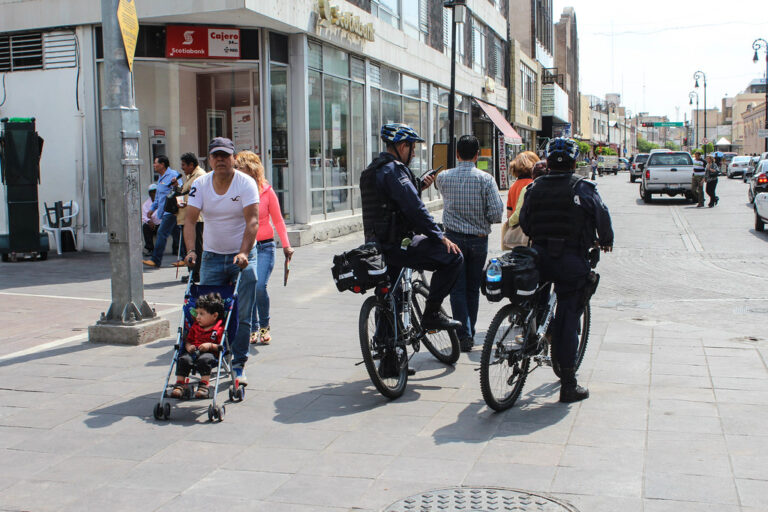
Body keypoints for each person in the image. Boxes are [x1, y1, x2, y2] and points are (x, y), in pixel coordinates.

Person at [520, 137, 614, 403]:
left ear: (548, 162)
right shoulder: (583, 187)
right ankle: (569, 384)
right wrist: (605, 240)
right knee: (569, 317)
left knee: (536, 301)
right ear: (574, 163)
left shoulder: (534, 187)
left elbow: (525, 222)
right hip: (571, 259)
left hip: (538, 257)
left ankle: (534, 331)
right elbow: (602, 215)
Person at [360, 123, 463, 334]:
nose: (414, 154)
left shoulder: (371, 170)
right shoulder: (394, 170)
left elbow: (390, 201)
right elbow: (414, 208)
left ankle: (387, 348)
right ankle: (432, 314)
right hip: (398, 244)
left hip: (375, 247)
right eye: (412, 148)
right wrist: (439, 236)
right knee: (453, 257)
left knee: (390, 298)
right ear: (402, 146)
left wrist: (419, 185)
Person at [182, 137, 259, 386]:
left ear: (233, 158)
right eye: (216, 156)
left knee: (242, 313)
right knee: (208, 313)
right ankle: (213, 358)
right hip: (212, 257)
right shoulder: (201, 184)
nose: (220, 160)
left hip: (243, 257)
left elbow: (252, 221)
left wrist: (244, 252)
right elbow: (190, 220)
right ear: (209, 160)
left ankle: (239, 364)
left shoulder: (245, 183)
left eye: (225, 155)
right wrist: (191, 251)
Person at [436, 135, 504, 352]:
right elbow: (496, 214)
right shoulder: (486, 179)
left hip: (452, 239)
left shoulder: (443, 177)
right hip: (478, 240)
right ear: (477, 155)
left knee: (457, 288)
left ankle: (463, 334)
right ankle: (469, 332)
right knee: (473, 288)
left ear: (457, 154)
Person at [234, 151, 295, 346]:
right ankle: (252, 327)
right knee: (249, 286)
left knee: (260, 286)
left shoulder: (267, 191)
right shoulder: (236, 190)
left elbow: (278, 220)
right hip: (245, 247)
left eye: (240, 167)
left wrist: (286, 245)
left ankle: (264, 326)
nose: (237, 171)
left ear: (251, 169)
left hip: (265, 246)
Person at [170, 293, 225, 399]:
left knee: (205, 359)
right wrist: (188, 346)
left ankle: (204, 386)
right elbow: (188, 340)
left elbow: (221, 347)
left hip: (210, 354)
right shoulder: (195, 327)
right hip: (193, 352)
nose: (197, 317)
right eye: (197, 313)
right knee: (183, 359)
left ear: (214, 316)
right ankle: (180, 385)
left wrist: (210, 345)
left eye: (201, 314)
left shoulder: (218, 329)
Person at [143, 155, 181, 268]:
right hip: (163, 211)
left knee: (161, 233)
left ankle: (156, 260)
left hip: (171, 211)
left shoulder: (173, 175)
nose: (154, 165)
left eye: (156, 163)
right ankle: (184, 257)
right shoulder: (160, 178)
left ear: (162, 164)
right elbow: (159, 197)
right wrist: (152, 209)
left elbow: (181, 190)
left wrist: (177, 185)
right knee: (178, 235)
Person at [174, 153, 207, 281]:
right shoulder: (190, 176)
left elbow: (200, 196)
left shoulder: (200, 176)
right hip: (186, 217)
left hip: (196, 218)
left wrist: (186, 203)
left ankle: (197, 274)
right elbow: (186, 193)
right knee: (188, 247)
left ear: (191, 165)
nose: (182, 168)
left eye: (183, 165)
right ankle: (192, 272)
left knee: (197, 247)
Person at [141, 184, 161, 257]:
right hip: (153, 225)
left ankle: (176, 248)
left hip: (162, 224)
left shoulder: (162, 201)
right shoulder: (146, 204)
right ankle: (149, 248)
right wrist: (149, 221)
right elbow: (144, 216)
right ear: (149, 193)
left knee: (174, 225)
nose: (154, 194)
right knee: (145, 227)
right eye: (152, 192)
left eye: (155, 192)